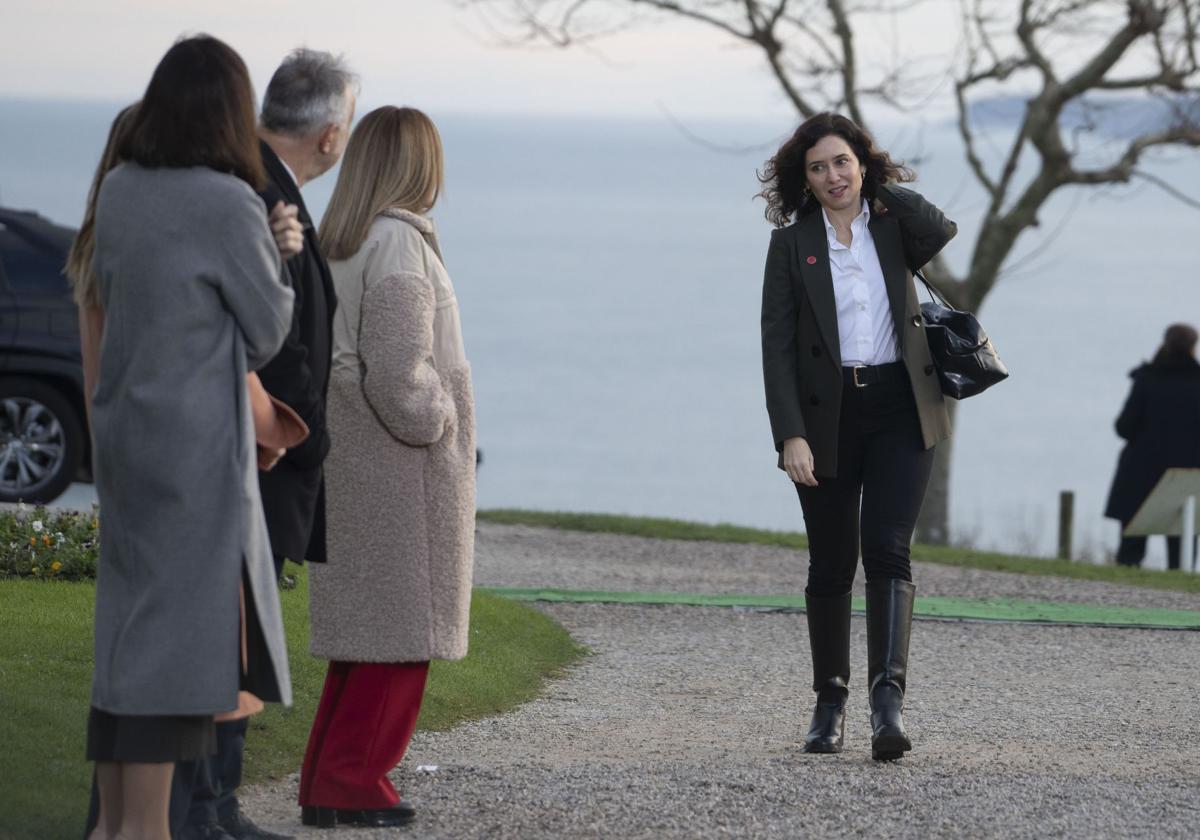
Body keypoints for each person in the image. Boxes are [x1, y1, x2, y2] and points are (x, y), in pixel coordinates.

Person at [85, 35, 295, 840]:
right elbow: (269, 329)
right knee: (174, 653)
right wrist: (276, 250)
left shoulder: (123, 189)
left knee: (133, 626)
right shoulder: (226, 201)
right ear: (232, 113)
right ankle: (145, 828)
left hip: (129, 442)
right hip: (198, 456)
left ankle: (114, 825)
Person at [174, 48, 358, 840]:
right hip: (259, 451)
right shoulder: (254, 195)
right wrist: (310, 439)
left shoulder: (260, 186)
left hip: (260, 450)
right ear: (329, 134)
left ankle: (217, 805)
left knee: (237, 640)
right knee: (229, 641)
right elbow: (280, 344)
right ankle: (206, 810)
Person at [298, 106, 476, 828]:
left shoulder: (341, 239)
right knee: (402, 638)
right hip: (397, 467)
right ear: (417, 165)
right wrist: (440, 417)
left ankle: (325, 779)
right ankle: (352, 780)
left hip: (351, 459)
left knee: (365, 637)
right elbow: (398, 375)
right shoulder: (399, 244)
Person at [758, 112, 956, 761]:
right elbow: (777, 348)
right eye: (818, 167)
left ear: (861, 163)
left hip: (903, 407)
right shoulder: (792, 245)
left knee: (889, 548)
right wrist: (791, 434)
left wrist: (880, 184)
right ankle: (829, 702)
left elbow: (941, 228)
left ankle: (887, 704)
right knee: (832, 560)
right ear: (804, 180)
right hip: (826, 417)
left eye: (842, 162)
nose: (832, 176)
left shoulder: (894, 227)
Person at [1104, 324, 1200, 570]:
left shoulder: (1147, 377)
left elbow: (1125, 427)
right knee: (1183, 551)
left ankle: (1122, 597)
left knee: (1130, 553)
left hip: (1141, 472)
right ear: (1193, 347)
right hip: (1187, 474)